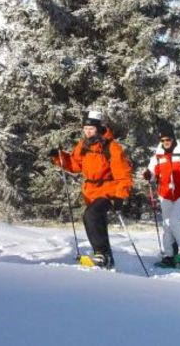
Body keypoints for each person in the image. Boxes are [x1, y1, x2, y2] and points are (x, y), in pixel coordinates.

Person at [50, 110, 133, 269]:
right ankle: (107, 260)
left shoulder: (112, 147)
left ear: (99, 128)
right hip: (90, 191)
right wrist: (59, 157)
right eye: (85, 129)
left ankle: (100, 254)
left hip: (109, 190)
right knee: (98, 222)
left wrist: (120, 196)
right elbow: (75, 165)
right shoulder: (84, 145)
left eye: (91, 129)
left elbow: (123, 173)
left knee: (91, 215)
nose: (87, 132)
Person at [143, 123, 180, 268]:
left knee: (175, 220)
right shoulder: (158, 154)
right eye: (162, 140)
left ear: (173, 138)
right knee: (167, 224)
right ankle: (169, 255)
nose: (165, 142)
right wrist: (148, 174)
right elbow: (152, 171)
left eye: (168, 139)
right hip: (165, 193)